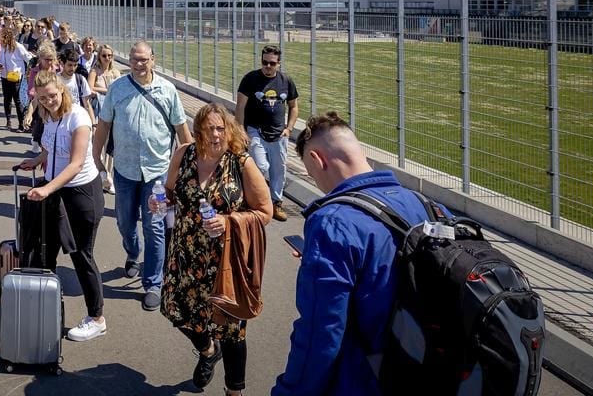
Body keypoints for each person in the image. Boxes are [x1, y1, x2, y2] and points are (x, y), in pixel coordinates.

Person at [272, 112, 440, 396]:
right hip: (432, 372)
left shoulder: (332, 223)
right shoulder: (427, 205)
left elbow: (321, 334)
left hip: (369, 379)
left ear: (318, 161)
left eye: (313, 176)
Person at [160, 103, 272, 396]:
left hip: (226, 261)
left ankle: (234, 392)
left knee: (232, 332)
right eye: (209, 128)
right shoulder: (184, 155)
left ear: (229, 129)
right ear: (198, 131)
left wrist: (229, 221)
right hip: (185, 255)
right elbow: (169, 193)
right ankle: (208, 350)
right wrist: (160, 202)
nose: (215, 134)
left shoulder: (241, 162)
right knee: (179, 312)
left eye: (220, 128)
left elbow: (265, 211)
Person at [91, 41, 193, 310]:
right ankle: (133, 253)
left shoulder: (167, 91)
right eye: (134, 59)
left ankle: (153, 283)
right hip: (124, 171)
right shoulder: (118, 89)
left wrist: (190, 167)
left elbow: (183, 134)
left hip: (157, 174)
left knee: (155, 227)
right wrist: (96, 158)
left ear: (153, 60)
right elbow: (103, 126)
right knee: (124, 222)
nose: (138, 64)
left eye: (143, 59)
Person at [18, 70, 107, 343]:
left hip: (81, 194)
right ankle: (46, 308)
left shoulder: (78, 117)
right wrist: (38, 160)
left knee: (81, 255)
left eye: (53, 96)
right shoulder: (48, 115)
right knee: (46, 251)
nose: (48, 101)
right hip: (57, 190)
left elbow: (76, 163)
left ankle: (97, 318)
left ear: (63, 90)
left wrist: (46, 187)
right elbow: (52, 146)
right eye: (43, 98)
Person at [234, 45, 299, 222]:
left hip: (279, 134)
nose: (267, 66)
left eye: (271, 63)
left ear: (279, 63)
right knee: (261, 166)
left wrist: (289, 129)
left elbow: (293, 107)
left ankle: (275, 202)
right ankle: (254, 200)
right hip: (255, 131)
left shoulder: (286, 81)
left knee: (279, 171)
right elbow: (240, 107)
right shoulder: (250, 79)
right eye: (264, 62)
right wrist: (240, 131)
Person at [89, 44, 120, 193]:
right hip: (99, 112)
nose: (107, 58)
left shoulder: (116, 72)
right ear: (99, 57)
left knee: (111, 147)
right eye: (104, 55)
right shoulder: (95, 71)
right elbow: (90, 87)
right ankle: (100, 175)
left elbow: (120, 90)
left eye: (109, 55)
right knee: (99, 145)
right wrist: (107, 90)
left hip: (114, 113)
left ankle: (109, 178)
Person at [0, 25, 31, 131]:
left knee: (18, 100)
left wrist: (28, 71)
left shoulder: (18, 46)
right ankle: (8, 121)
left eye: (3, 37)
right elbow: (1, 62)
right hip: (5, 76)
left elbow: (27, 58)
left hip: (16, 77)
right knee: (7, 100)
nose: (2, 39)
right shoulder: (4, 48)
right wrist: (0, 66)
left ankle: (21, 124)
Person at [58, 45, 94, 119]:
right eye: (70, 65)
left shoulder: (80, 79)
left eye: (75, 65)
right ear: (62, 64)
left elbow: (87, 104)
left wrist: (93, 123)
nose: (73, 68)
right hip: (61, 118)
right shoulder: (55, 80)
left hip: (77, 118)